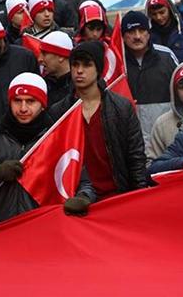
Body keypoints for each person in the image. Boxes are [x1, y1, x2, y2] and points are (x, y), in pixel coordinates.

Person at [0, 72, 95, 225]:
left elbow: (85, 182)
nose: (23, 108)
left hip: (45, 227)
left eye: (31, 101)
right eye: (17, 101)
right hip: (1, 229)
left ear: (42, 105)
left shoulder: (58, 138)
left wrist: (83, 198)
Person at [50, 41, 147, 200]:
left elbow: (136, 157)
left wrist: (138, 197)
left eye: (87, 65)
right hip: (76, 201)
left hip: (117, 197)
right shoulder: (59, 112)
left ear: (98, 69)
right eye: (75, 64)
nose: (79, 71)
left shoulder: (121, 108)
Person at [123, 11, 177, 105]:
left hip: (164, 119)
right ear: (123, 36)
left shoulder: (166, 56)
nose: (137, 36)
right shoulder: (117, 62)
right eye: (131, 32)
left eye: (142, 30)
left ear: (148, 34)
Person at [39, 31, 73, 106]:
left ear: (61, 56)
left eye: (44, 54)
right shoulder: (44, 84)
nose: (40, 59)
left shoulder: (78, 88)